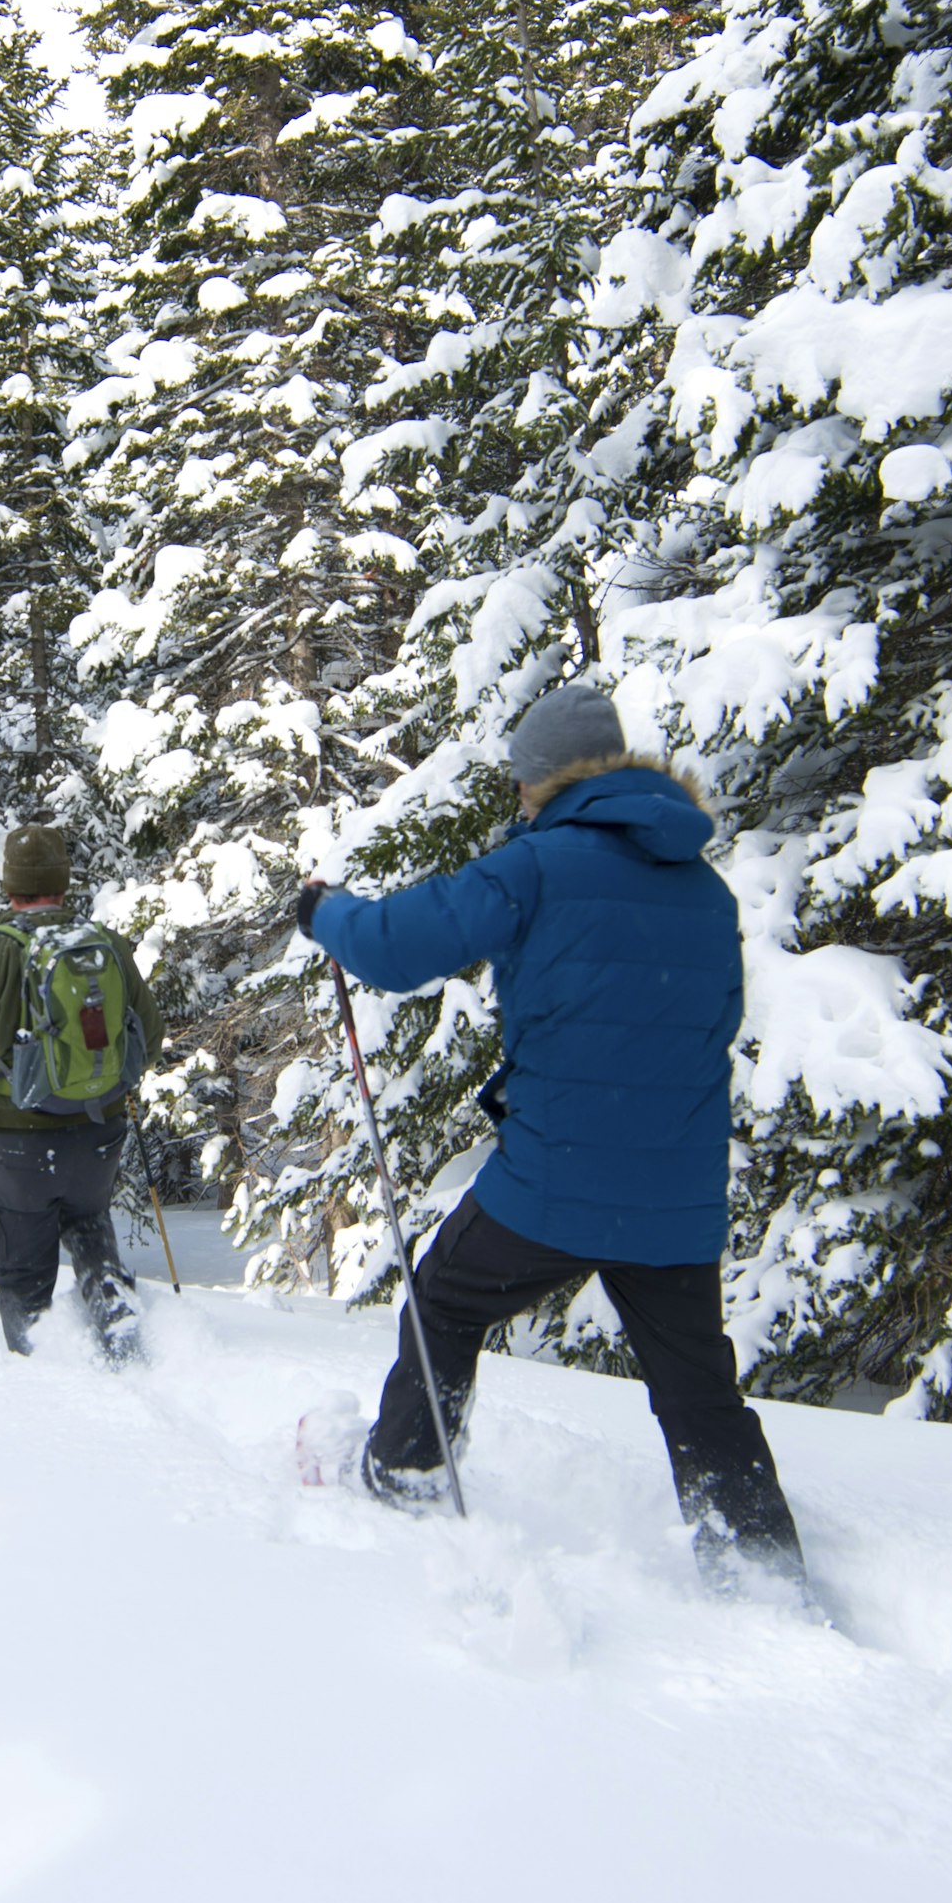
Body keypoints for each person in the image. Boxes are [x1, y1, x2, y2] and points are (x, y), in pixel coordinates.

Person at [296, 682, 806, 1595]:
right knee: (697, 1390)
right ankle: (758, 1566)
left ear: (546, 778)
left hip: (555, 1179)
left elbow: (394, 945)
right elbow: (709, 1027)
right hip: (675, 1195)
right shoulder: (704, 889)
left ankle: (407, 1475)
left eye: (521, 781)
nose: (519, 797)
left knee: (442, 1299)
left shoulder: (532, 867)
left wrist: (322, 912)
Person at [0, 824, 164, 1362]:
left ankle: (36, 1372)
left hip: (21, 1140)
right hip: (98, 1131)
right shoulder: (104, 945)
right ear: (63, 883)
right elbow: (149, 1040)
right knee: (89, 1224)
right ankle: (122, 1339)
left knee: (22, 1266)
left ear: (10, 885)